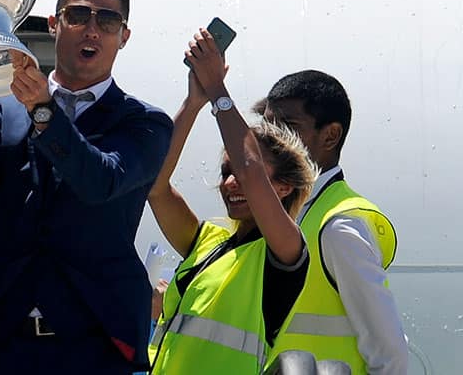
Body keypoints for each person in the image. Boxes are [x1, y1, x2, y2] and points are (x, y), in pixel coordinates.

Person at [0, 0, 173, 374]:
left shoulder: (144, 122)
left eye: (108, 20)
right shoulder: (2, 104)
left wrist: (43, 110)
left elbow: (101, 180)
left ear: (124, 36)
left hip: (95, 341)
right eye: (79, 16)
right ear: (54, 24)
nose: (92, 30)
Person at [146, 29, 317, 373]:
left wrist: (217, 93)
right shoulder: (209, 240)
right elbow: (155, 186)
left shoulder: (284, 251)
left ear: (283, 188)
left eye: (236, 169)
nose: (229, 182)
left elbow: (251, 171)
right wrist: (192, 102)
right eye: (225, 171)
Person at [262, 70, 408, 374]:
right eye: (267, 125)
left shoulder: (339, 227)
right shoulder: (278, 210)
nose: (270, 139)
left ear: (330, 135)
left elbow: (389, 352)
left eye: (286, 127)